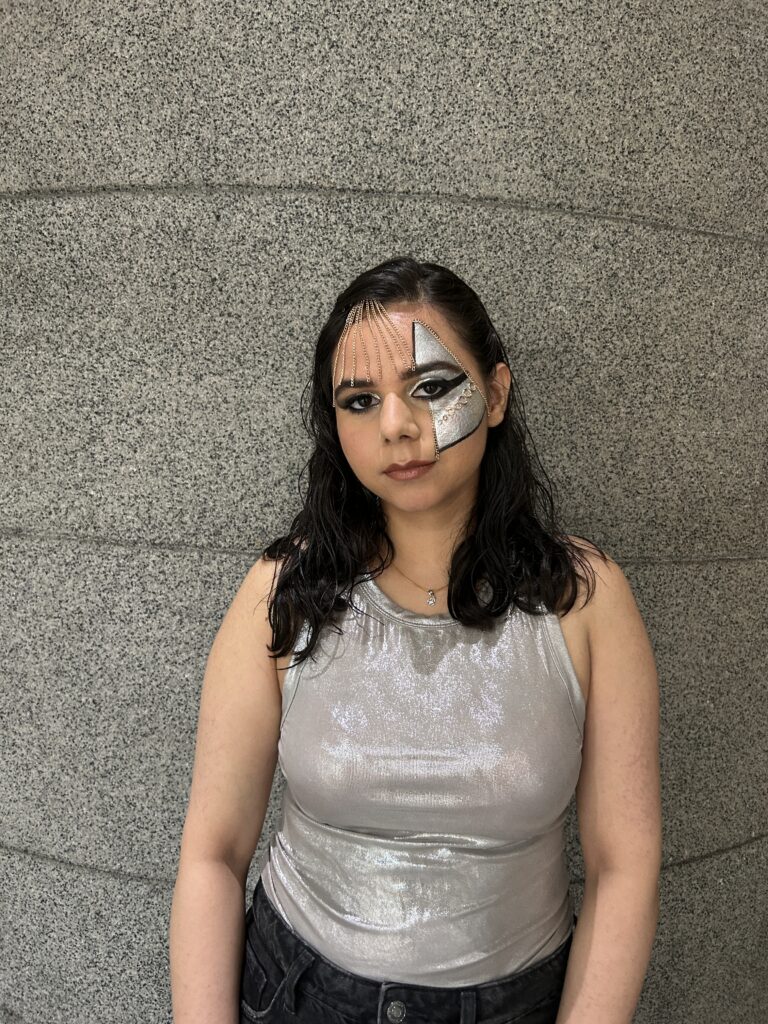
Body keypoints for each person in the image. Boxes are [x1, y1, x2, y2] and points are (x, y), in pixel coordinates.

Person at [169, 257, 662, 1024]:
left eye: (430, 386)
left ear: (495, 393)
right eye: (360, 400)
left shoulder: (584, 601)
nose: (396, 426)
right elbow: (212, 857)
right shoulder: (282, 594)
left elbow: (622, 866)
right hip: (297, 994)